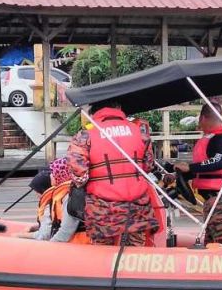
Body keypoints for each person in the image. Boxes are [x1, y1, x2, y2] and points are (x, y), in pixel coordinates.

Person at [66, 101, 161, 247]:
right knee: (136, 249)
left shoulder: (85, 135)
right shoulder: (139, 132)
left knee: (102, 252)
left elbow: (79, 173)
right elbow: (148, 166)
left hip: (102, 207)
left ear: (94, 110)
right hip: (137, 205)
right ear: (118, 108)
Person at [174, 103, 222, 247]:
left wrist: (190, 167)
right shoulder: (215, 138)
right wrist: (182, 174)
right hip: (215, 200)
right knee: (211, 244)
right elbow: (208, 169)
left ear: (203, 118)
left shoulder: (220, 139)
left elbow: (218, 162)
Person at [34, 157, 88, 243]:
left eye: (53, 173)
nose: (50, 175)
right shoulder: (65, 194)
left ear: (61, 174)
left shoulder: (71, 197)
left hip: (79, 245)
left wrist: (49, 246)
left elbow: (65, 232)